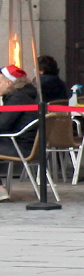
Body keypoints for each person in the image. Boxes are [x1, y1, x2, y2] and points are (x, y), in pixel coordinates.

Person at [0, 65, 41, 202]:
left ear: (9, 83)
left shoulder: (17, 99)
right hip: (31, 146)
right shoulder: (26, 96)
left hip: (21, 147)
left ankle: (0, 190)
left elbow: (2, 125)